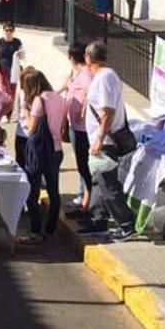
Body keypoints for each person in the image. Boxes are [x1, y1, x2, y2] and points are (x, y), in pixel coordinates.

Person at [79, 42, 136, 240]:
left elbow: (108, 111)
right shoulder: (104, 77)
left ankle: (127, 224)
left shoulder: (105, 77)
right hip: (99, 141)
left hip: (105, 143)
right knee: (98, 181)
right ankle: (98, 220)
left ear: (88, 57)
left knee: (108, 183)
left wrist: (99, 139)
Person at [20, 69, 67, 242]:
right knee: (54, 191)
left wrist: (26, 110)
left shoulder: (39, 100)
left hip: (39, 151)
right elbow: (62, 127)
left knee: (32, 191)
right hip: (55, 149)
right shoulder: (60, 99)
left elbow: (31, 128)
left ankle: (35, 230)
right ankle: (50, 229)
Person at [64, 46, 93, 218]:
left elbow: (89, 92)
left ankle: (86, 204)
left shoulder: (85, 75)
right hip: (76, 126)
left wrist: (82, 108)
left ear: (72, 58)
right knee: (82, 165)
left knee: (84, 165)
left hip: (82, 128)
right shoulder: (79, 75)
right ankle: (83, 198)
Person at [0, 23, 22, 100]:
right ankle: (4, 106)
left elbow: (22, 55)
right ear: (3, 30)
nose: (8, 32)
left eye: (11, 30)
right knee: (4, 88)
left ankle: (9, 109)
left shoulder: (17, 42)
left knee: (12, 89)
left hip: (14, 70)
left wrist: (20, 54)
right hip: (2, 69)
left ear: (13, 31)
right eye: (7, 30)